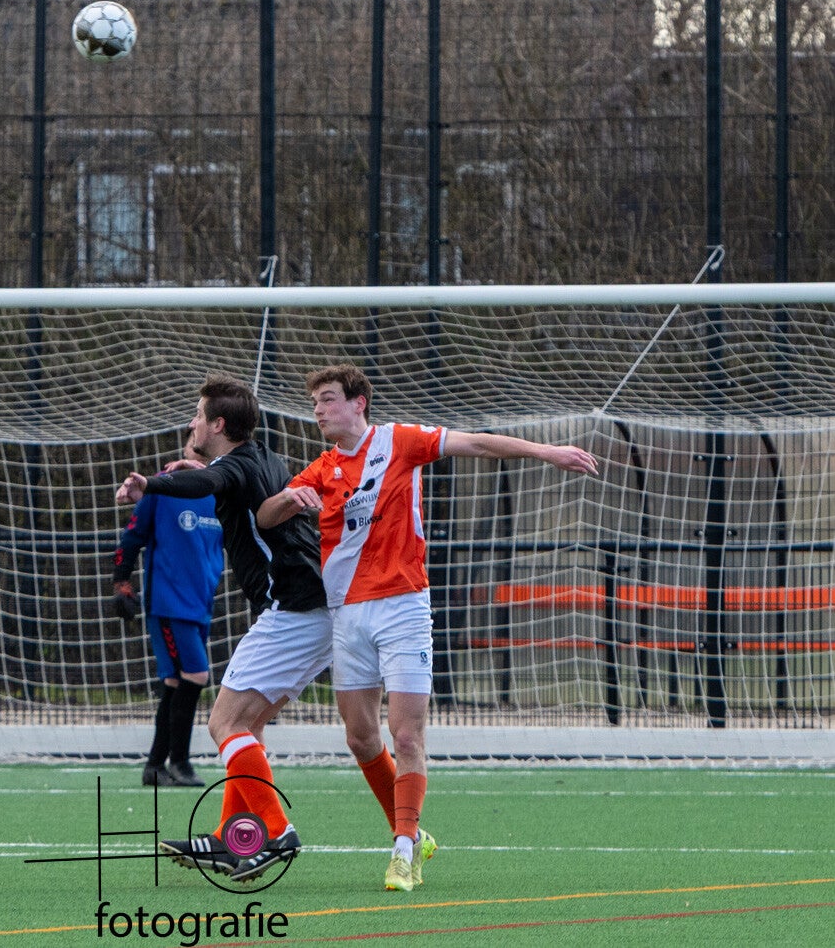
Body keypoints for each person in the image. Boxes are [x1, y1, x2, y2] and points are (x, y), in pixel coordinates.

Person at [257, 363, 599, 892]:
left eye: (328, 399)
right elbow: (265, 517)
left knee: (406, 733)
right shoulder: (322, 468)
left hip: (403, 608)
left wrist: (547, 452)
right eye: (316, 402)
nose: (319, 410)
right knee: (360, 737)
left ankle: (402, 849)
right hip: (346, 615)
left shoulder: (400, 441)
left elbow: (477, 444)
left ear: (358, 403)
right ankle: (414, 835)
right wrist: (287, 499)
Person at [115, 374, 333, 883]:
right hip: (315, 610)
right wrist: (200, 468)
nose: (191, 423)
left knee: (224, 724)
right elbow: (221, 480)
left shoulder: (231, 467)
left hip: (292, 610)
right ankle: (232, 838)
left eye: (197, 415)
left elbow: (207, 484)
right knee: (246, 727)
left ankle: (276, 830)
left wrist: (151, 484)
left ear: (216, 424)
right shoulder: (264, 459)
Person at [112, 438, 224, 788]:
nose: (198, 446)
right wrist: (121, 582)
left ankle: (155, 766)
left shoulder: (223, 489)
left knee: (176, 681)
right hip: (169, 601)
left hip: (201, 601)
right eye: (193, 441)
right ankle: (180, 762)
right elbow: (132, 537)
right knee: (196, 675)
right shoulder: (161, 488)